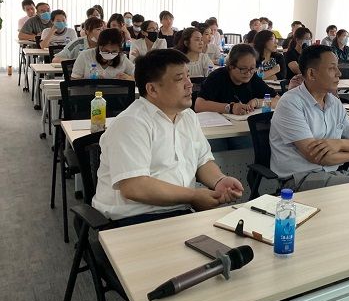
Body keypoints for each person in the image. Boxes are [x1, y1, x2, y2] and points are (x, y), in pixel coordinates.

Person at [92, 48, 243, 225]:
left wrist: (219, 180)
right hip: (134, 218)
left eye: (188, 76)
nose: (189, 84)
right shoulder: (131, 123)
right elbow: (134, 187)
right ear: (152, 89)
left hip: (179, 210)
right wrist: (193, 196)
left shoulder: (188, 116)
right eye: (179, 79)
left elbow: (203, 161)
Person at [269, 45, 349, 192]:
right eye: (332, 68)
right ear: (311, 74)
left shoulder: (334, 103)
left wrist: (338, 144)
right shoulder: (290, 102)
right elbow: (317, 157)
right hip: (300, 180)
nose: (339, 73)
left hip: (332, 174)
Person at [195, 44, 279, 115]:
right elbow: (198, 105)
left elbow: (278, 100)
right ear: (231, 66)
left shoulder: (253, 78)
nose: (248, 73)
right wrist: (230, 108)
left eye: (252, 68)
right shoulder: (217, 77)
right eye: (243, 69)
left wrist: (257, 102)